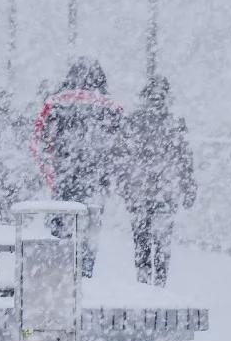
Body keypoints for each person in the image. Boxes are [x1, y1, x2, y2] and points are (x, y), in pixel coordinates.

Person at [30, 57, 125, 278]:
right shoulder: (111, 107)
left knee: (61, 229)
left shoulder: (55, 103)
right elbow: (121, 148)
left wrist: (50, 175)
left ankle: (61, 275)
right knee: (89, 231)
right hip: (96, 181)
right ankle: (84, 275)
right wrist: (109, 176)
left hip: (64, 176)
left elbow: (37, 143)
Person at [120, 75, 196, 286]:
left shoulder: (133, 121)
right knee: (162, 241)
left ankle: (143, 284)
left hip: (139, 191)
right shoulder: (175, 123)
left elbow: (123, 157)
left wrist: (124, 185)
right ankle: (159, 285)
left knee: (141, 240)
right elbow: (185, 157)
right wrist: (188, 186)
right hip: (166, 190)